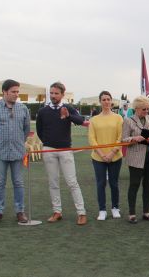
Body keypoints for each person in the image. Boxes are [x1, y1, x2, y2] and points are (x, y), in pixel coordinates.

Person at [36, 82, 87, 225]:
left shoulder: (68, 108)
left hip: (65, 150)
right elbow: (40, 130)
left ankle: (81, 213)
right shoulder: (43, 111)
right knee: (53, 182)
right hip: (49, 150)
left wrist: (68, 115)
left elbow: (81, 121)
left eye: (56, 93)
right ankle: (57, 211)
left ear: (62, 95)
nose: (53, 96)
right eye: (51, 93)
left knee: (72, 182)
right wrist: (47, 142)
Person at [0, 80, 30, 224]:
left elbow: (26, 130)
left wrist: (18, 143)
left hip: (17, 151)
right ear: (4, 92)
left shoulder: (23, 109)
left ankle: (20, 211)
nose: (16, 94)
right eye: (13, 92)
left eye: (17, 92)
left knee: (18, 182)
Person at [122, 96, 149, 224]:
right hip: (136, 158)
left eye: (148, 109)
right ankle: (132, 214)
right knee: (134, 185)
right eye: (144, 109)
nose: (146, 111)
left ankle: (146, 212)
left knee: (148, 186)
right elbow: (124, 139)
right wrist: (134, 139)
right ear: (136, 109)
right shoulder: (128, 121)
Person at [88, 90, 124, 221]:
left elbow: (121, 137)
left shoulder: (118, 118)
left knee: (114, 183)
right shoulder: (94, 120)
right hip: (98, 158)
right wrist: (102, 155)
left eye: (108, 99)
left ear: (111, 101)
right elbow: (92, 139)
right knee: (101, 183)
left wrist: (112, 152)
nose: (106, 102)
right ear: (100, 102)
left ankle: (115, 208)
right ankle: (102, 210)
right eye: (104, 99)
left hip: (115, 157)